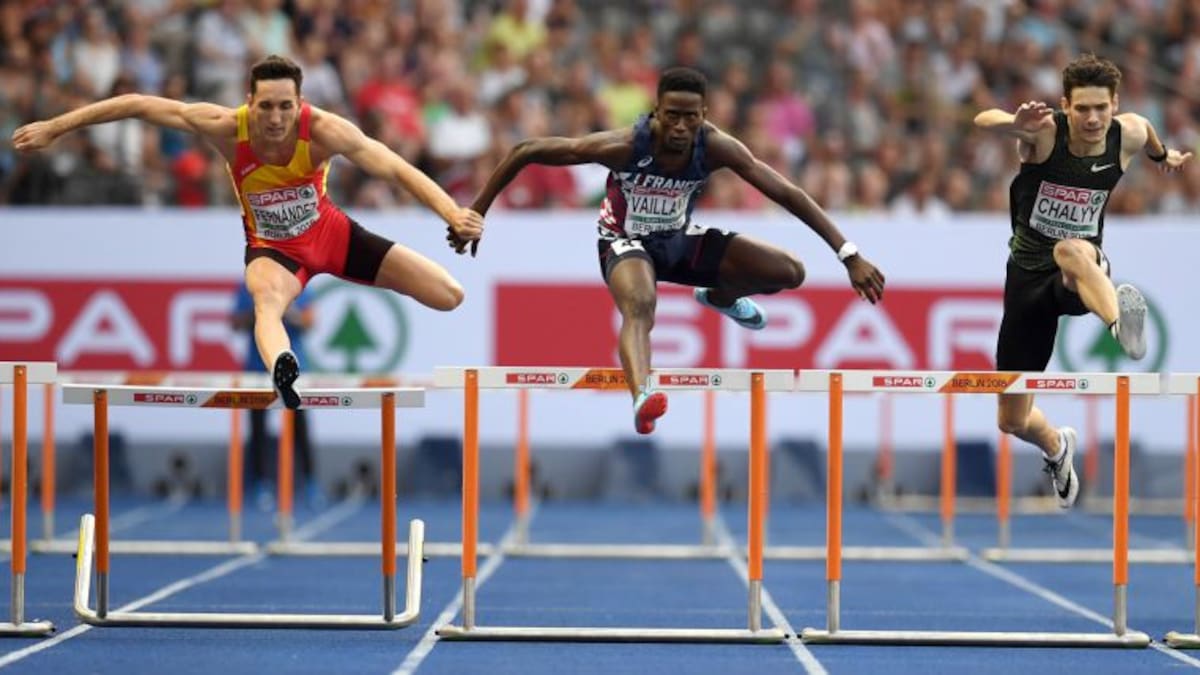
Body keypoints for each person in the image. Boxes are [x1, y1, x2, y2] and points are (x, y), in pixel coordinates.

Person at [12, 54, 484, 408]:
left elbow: (397, 170)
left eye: (284, 107)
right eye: (265, 108)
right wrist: (56, 126)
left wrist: (452, 213)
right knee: (265, 302)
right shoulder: (224, 127)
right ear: (248, 103)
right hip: (273, 251)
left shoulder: (325, 130)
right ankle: (283, 368)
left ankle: (283, 359)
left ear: (300, 104)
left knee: (449, 294)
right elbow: (137, 104)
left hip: (332, 234)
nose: (275, 119)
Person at [454, 67, 885, 434]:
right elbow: (525, 151)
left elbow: (788, 193)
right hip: (624, 242)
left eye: (690, 118)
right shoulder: (623, 146)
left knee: (790, 271)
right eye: (672, 116)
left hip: (679, 240)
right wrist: (476, 214)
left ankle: (719, 297)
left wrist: (848, 254)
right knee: (641, 304)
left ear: (704, 116)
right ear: (657, 111)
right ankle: (643, 394)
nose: (680, 127)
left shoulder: (716, 147)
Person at [974, 53, 1192, 508]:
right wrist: (1013, 120)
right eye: (1082, 109)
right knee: (1011, 420)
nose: (1093, 118)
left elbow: (1147, 132)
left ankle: (1121, 327)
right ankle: (1057, 446)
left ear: (1114, 104)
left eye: (1101, 108)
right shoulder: (1044, 132)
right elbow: (983, 119)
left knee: (1069, 250)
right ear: (1065, 107)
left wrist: (1163, 155)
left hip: (1082, 272)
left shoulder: (1127, 131)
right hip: (1026, 284)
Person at [231, 283, 322, 510]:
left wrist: (289, 313)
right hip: (257, 368)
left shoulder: (298, 285)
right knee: (258, 428)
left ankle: (311, 483)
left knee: (299, 427)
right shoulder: (249, 286)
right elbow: (235, 323)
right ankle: (260, 484)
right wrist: (260, 312)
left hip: (294, 368)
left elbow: (310, 322)